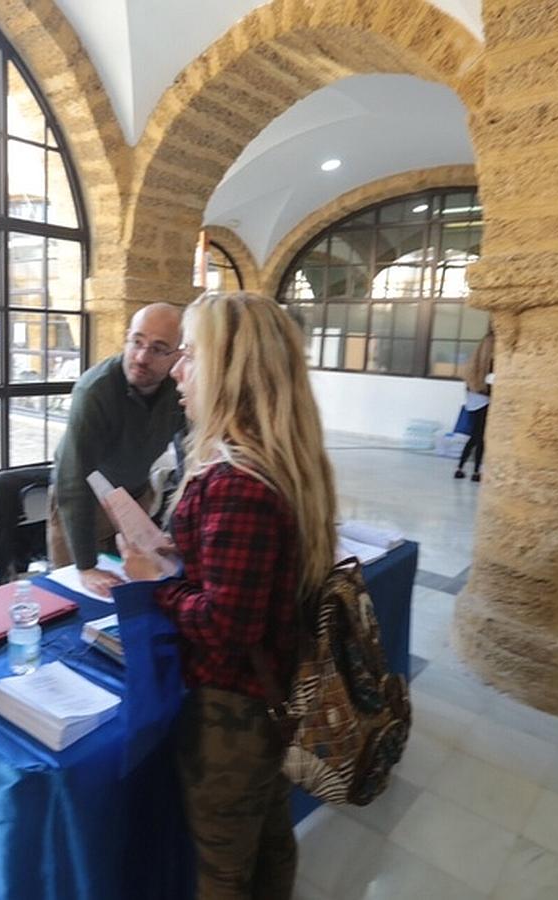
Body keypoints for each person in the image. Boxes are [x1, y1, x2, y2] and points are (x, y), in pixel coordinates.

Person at [122, 291, 337, 900]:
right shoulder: (278, 461)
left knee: (222, 871)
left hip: (229, 710)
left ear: (228, 368)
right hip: (266, 691)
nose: (177, 370)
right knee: (268, 839)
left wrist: (156, 584)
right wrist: (180, 560)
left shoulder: (236, 480)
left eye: (189, 354)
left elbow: (225, 624)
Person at [48, 302, 185, 596]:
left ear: (179, 355)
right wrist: (85, 566)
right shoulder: (94, 390)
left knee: (135, 590)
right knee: (77, 596)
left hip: (133, 499)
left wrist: (178, 529)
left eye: (159, 349)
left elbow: (189, 455)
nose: (141, 357)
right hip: (80, 502)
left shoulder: (179, 388)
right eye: (136, 342)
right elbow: (73, 479)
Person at [455, 332, 494, 482]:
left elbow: (470, 386)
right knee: (480, 438)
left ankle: (460, 467)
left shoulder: (472, 364)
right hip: (484, 403)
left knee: (473, 437)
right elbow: (488, 389)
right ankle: (476, 471)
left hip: (472, 403)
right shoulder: (490, 365)